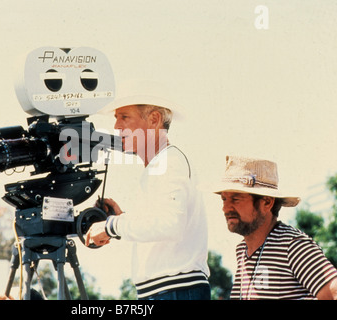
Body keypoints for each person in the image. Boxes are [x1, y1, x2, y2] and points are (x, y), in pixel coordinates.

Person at [85, 80, 210, 300]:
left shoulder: (170, 161)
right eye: (116, 118)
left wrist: (112, 225)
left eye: (125, 117)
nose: (116, 127)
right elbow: (162, 224)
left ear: (154, 119)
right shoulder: (160, 165)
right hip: (166, 290)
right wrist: (123, 219)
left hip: (176, 291)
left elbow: (171, 225)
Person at [213, 155, 337, 299]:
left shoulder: (292, 244)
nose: (226, 208)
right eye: (224, 199)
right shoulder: (242, 251)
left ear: (266, 202)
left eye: (235, 199)